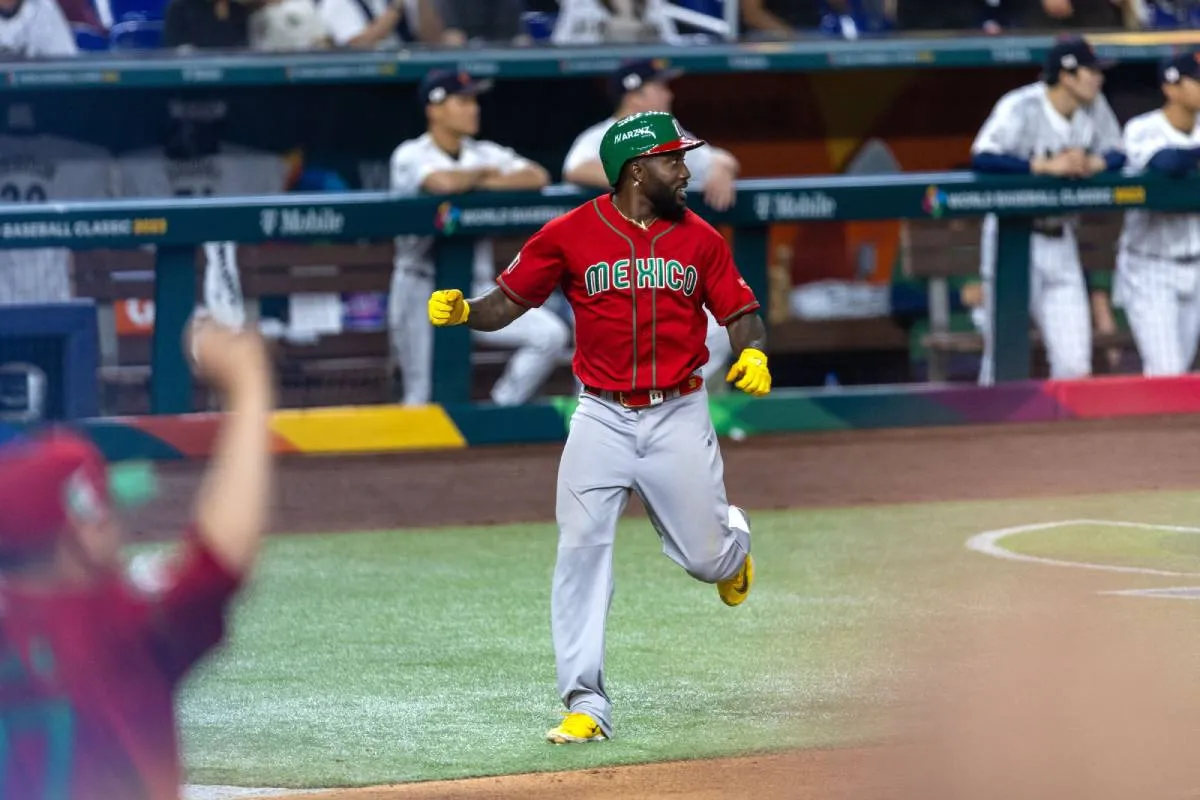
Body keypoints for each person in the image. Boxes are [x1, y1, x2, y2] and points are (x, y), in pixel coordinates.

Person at [428, 110, 770, 744]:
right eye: (673, 159)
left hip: (678, 412)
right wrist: (466, 313)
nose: (685, 168)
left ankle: (733, 550)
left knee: (705, 558)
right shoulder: (569, 233)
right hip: (601, 416)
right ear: (637, 169)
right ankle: (586, 703)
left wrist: (752, 351)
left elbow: (741, 309)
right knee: (580, 553)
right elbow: (511, 301)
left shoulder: (701, 240)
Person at [0, 313, 275, 799]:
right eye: (105, 512)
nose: (118, 525)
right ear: (77, 536)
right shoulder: (113, 626)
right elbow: (220, 560)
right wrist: (248, 383)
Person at [389, 69, 568, 407]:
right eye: (463, 100)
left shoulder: (482, 151)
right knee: (422, 398)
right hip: (420, 287)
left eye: (474, 100)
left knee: (549, 334)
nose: (473, 108)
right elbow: (442, 183)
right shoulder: (410, 154)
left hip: (474, 287)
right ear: (435, 108)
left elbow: (536, 176)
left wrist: (477, 179)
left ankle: (501, 407)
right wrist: (484, 175)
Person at [563, 59, 741, 386]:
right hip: (606, 270)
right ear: (634, 96)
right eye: (659, 87)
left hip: (660, 266)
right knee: (598, 374)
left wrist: (720, 169)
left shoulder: (669, 134)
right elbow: (574, 168)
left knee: (719, 328)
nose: (669, 95)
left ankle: (662, 395)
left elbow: (722, 157)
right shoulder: (601, 136)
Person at [969, 35, 1125, 385]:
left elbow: (1119, 151)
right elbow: (983, 156)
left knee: (1074, 365)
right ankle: (990, 434)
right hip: (1013, 238)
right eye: (1091, 71)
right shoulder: (1021, 106)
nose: (1098, 78)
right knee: (1002, 357)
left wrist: (1095, 161)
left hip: (1061, 238)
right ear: (1066, 75)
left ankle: (1068, 440)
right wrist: (1041, 167)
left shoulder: (1094, 107)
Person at [1115, 51, 1200, 376]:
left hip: (1196, 267)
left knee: (1178, 372)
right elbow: (1165, 164)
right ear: (1171, 87)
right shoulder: (1143, 128)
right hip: (1151, 267)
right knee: (1167, 371)